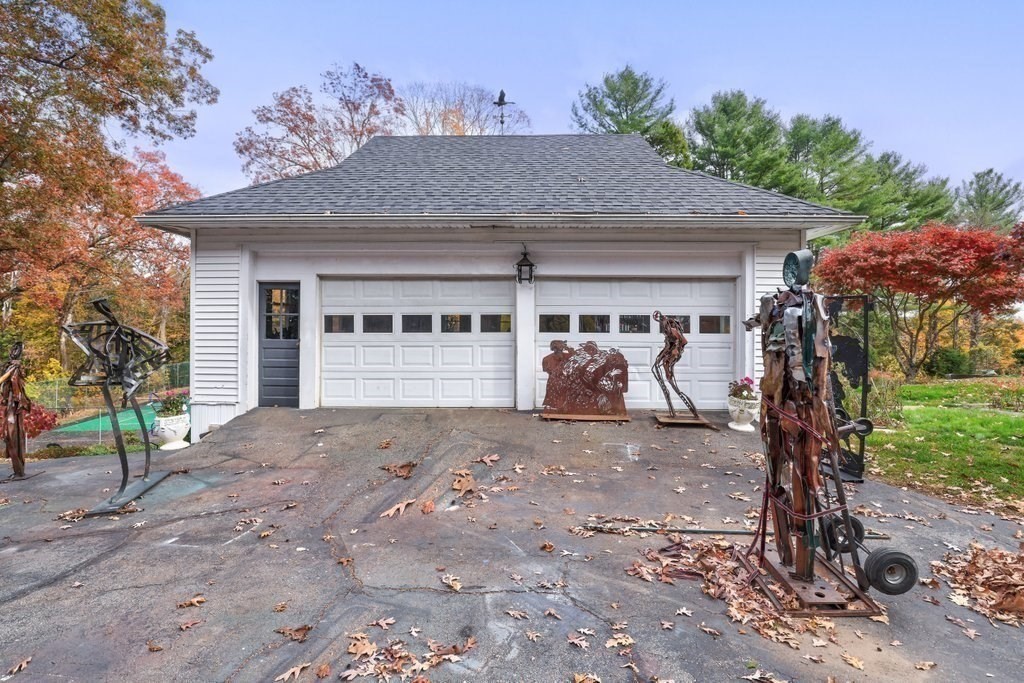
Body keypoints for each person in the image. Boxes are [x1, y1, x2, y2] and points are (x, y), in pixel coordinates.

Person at [651, 311, 699, 418]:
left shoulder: (672, 331)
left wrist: (672, 353)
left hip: (672, 356)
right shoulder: (668, 332)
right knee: (657, 371)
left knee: (669, 380)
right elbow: (668, 345)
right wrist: (660, 357)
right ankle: (672, 410)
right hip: (669, 355)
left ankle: (690, 409)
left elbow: (682, 342)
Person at [0, 342, 30, 478]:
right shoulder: (11, 368)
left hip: (15, 404)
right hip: (11, 403)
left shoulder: (14, 369)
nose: (12, 352)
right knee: (9, 434)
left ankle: (19, 470)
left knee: (12, 433)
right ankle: (18, 469)